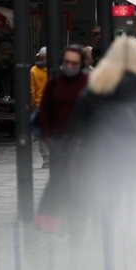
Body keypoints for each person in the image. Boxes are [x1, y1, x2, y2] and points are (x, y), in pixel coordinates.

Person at [68, 36, 136, 216]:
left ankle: (109, 240)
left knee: (108, 211)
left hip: (103, 159)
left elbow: (77, 126)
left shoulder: (96, 87)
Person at [34, 45, 90, 232]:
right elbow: (45, 108)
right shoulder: (55, 81)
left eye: (74, 63)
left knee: (78, 180)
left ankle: (77, 219)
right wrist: (48, 134)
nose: (70, 66)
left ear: (81, 64)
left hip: (81, 140)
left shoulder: (88, 82)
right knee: (58, 178)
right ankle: (56, 219)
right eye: (67, 62)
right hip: (58, 138)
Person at [31, 47, 50, 168]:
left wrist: (32, 103)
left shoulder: (33, 70)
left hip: (39, 105)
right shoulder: (55, 69)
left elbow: (31, 90)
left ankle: (46, 158)